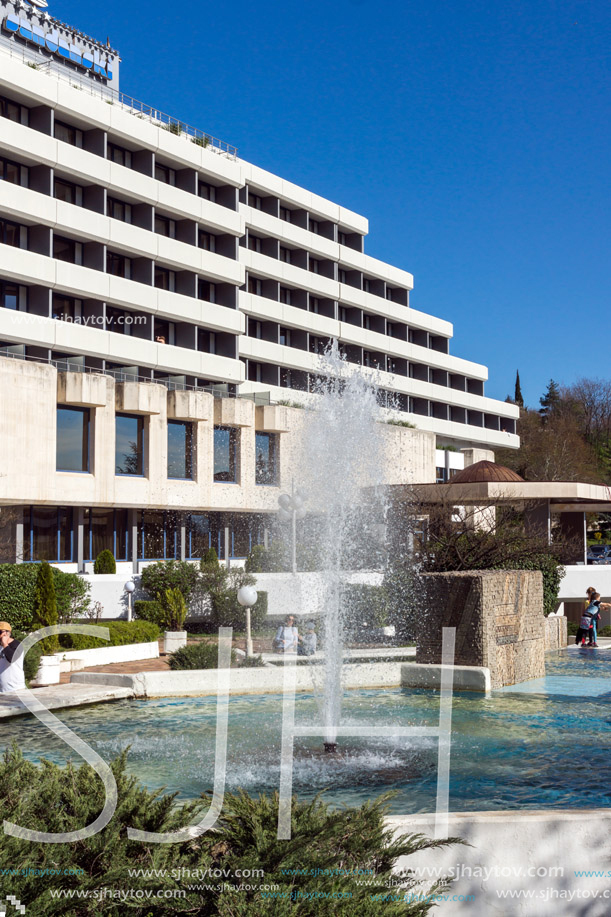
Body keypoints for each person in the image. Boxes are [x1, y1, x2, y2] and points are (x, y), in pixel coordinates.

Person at [0, 622, 26, 693]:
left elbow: (11, 658)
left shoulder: (17, 645)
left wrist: (5, 644)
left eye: (0, 632)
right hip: (2, 690)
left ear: (7, 633)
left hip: (16, 689)